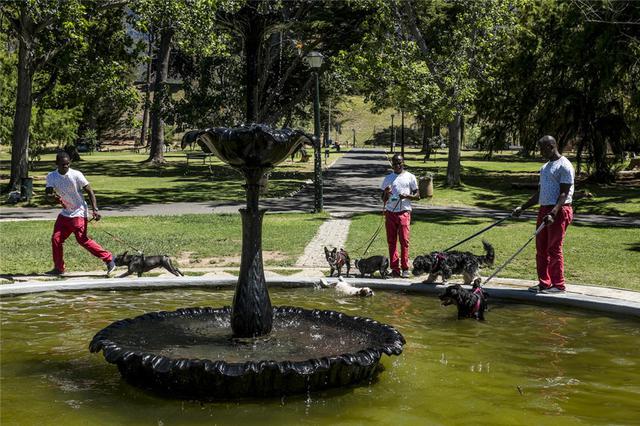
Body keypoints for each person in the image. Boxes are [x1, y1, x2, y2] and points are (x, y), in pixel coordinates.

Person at [513, 135, 574, 293]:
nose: (540, 152)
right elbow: (540, 193)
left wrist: (553, 213)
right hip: (544, 209)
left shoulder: (564, 166)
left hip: (559, 210)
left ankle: (558, 285)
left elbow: (564, 194)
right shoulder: (545, 167)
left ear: (551, 147)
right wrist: (522, 207)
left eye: (542, 149)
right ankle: (544, 282)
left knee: (554, 248)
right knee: (541, 249)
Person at [45, 151, 116, 276]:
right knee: (56, 239)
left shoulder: (76, 174)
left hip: (79, 212)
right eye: (63, 164)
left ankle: (109, 259)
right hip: (65, 213)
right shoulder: (51, 176)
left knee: (82, 240)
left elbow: (90, 191)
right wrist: (52, 198)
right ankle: (59, 268)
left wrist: (95, 209)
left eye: (68, 164)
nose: (66, 166)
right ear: (56, 164)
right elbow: (48, 195)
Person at [381, 154, 419, 278]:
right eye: (395, 163)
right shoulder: (388, 178)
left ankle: (405, 268)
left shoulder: (410, 177)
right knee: (391, 241)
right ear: (392, 164)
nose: (397, 165)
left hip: (404, 212)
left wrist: (407, 196)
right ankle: (395, 269)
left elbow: (418, 195)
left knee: (404, 241)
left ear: (403, 163)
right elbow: (383, 198)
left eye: (400, 163)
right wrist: (386, 192)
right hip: (390, 212)